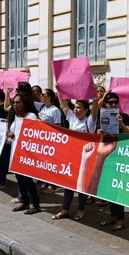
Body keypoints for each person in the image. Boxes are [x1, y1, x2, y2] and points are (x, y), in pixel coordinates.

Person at [52, 92, 98, 221]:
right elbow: (64, 105)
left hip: (85, 158)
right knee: (68, 184)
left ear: (85, 110)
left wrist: (94, 98)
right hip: (71, 157)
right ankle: (65, 209)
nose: (76, 110)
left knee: (81, 185)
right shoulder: (71, 118)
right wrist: (60, 91)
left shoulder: (89, 122)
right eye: (75, 107)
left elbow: (94, 111)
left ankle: (81, 210)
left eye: (78, 108)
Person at [95, 91, 129, 231]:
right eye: (110, 102)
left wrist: (121, 123)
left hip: (119, 154)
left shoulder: (123, 116)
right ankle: (113, 215)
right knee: (108, 186)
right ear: (105, 103)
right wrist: (100, 133)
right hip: (107, 154)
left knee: (116, 186)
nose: (113, 104)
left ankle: (121, 218)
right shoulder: (101, 115)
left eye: (116, 102)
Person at [9, 92, 43, 215]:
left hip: (28, 155)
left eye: (18, 102)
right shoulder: (16, 119)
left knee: (28, 181)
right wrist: (9, 135)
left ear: (24, 104)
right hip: (17, 154)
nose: (15, 105)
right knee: (20, 180)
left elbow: (37, 134)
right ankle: (25, 202)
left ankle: (36, 204)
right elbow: (11, 136)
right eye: (13, 102)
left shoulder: (31, 117)